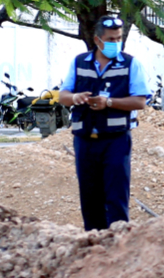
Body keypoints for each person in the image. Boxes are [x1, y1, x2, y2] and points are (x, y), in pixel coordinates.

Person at [57, 15, 151, 231]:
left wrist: (108, 102)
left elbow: (140, 101)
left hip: (116, 140)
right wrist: (75, 98)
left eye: (118, 39)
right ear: (97, 40)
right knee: (90, 199)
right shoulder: (80, 62)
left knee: (116, 197)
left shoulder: (130, 64)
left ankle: (118, 245)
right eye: (110, 39)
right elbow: (63, 95)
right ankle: (95, 246)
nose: (115, 44)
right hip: (85, 140)